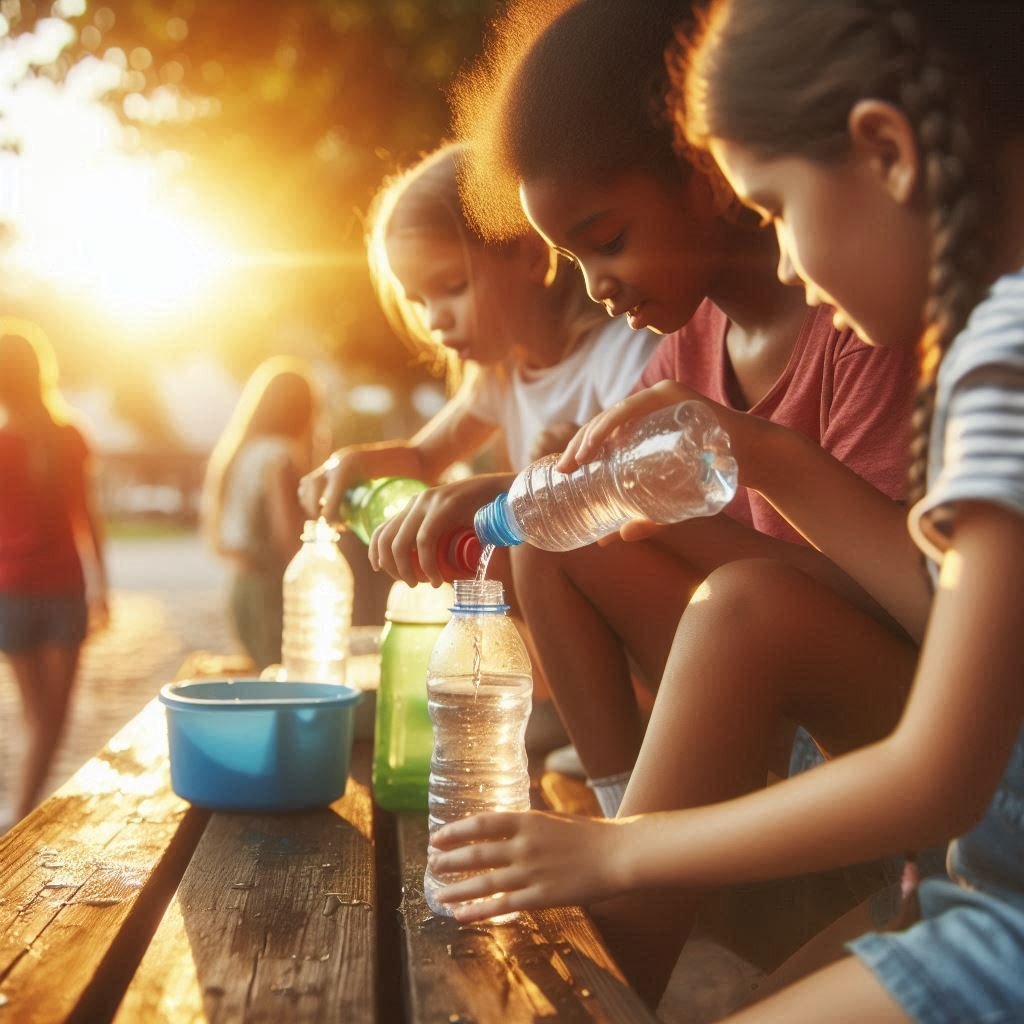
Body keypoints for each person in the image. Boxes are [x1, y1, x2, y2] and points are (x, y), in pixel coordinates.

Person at [428, 2, 1024, 1021]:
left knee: (747, 603)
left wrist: (622, 850)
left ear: (884, 148)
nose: (785, 261)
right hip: (982, 877)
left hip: (990, 901)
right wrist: (755, 452)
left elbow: (938, 773)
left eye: (776, 207)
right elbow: (962, 613)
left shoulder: (993, 357)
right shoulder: (988, 344)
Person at [299, 141, 660, 757]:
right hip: (584, 623)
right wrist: (353, 463)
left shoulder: (617, 357)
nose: (436, 320)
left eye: (451, 287)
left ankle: (626, 735)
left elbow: (646, 498)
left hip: (652, 616)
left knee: (516, 541)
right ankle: (584, 718)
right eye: (419, 302)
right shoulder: (500, 376)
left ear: (526, 253)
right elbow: (420, 459)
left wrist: (542, 472)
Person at [0, 327, 109, 826]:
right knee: (50, 720)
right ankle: (23, 814)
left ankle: (22, 812)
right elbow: (89, 516)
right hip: (64, 587)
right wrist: (102, 584)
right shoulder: (71, 437)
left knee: (37, 716)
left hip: (12, 590)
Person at [202, 356, 325, 671]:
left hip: (240, 583)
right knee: (280, 674)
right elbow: (287, 536)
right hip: (269, 589)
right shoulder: (281, 456)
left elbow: (219, 532)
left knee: (261, 671)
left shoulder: (241, 451)